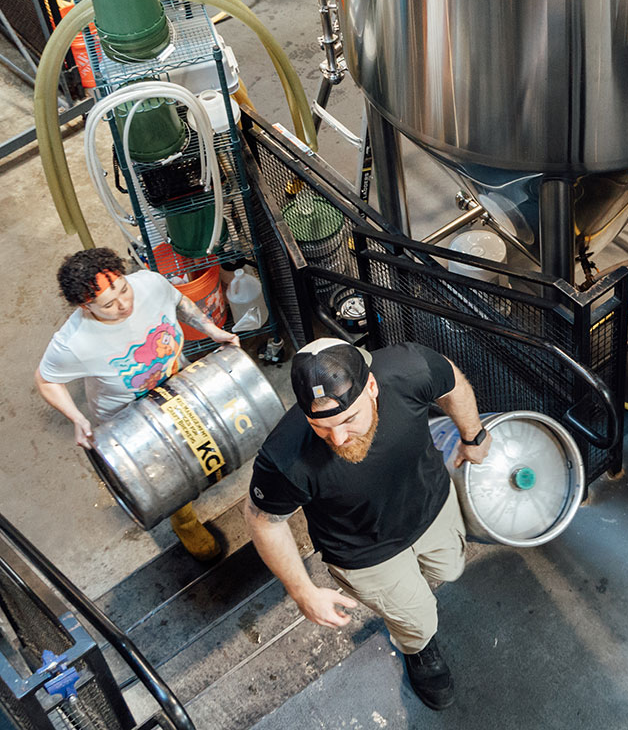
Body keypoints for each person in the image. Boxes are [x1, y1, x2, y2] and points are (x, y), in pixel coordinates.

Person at [245, 338, 491, 711]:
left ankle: (415, 592)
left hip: (431, 504)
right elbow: (263, 521)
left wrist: (474, 435)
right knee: (419, 618)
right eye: (321, 427)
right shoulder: (283, 458)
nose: (339, 439)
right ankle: (418, 649)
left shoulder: (408, 370)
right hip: (364, 552)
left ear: (372, 388)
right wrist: (303, 592)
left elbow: (450, 380)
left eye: (348, 420)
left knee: (450, 568)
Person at [35, 248, 239, 561]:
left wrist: (211, 329)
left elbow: (177, 300)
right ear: (85, 307)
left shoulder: (148, 283)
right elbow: (46, 380)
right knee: (168, 473)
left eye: (123, 289)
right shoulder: (73, 342)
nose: (124, 304)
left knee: (197, 450)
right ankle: (184, 522)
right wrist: (76, 417)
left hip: (178, 387)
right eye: (108, 304)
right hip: (129, 420)